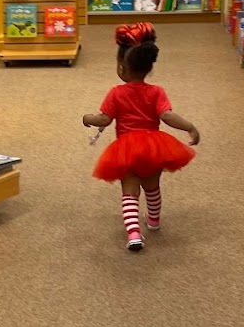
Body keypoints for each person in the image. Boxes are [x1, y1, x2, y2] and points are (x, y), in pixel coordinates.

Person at [83, 22, 199, 252]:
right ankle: (153, 221)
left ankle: (134, 233)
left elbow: (104, 119)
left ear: (121, 68)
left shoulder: (116, 93)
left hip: (126, 148)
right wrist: (190, 127)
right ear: (148, 67)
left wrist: (87, 118)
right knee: (152, 187)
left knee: (130, 191)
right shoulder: (156, 92)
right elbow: (167, 115)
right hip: (153, 147)